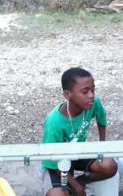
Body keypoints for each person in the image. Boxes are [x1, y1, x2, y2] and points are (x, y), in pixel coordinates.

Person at [41, 67, 117, 196]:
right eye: (85, 91)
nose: (91, 95)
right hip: (57, 160)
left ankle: (82, 180)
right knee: (58, 195)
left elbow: (101, 119)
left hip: (78, 152)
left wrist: (102, 145)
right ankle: (67, 186)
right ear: (67, 94)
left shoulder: (93, 103)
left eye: (93, 90)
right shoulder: (54, 122)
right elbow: (52, 160)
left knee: (109, 165)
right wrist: (76, 187)